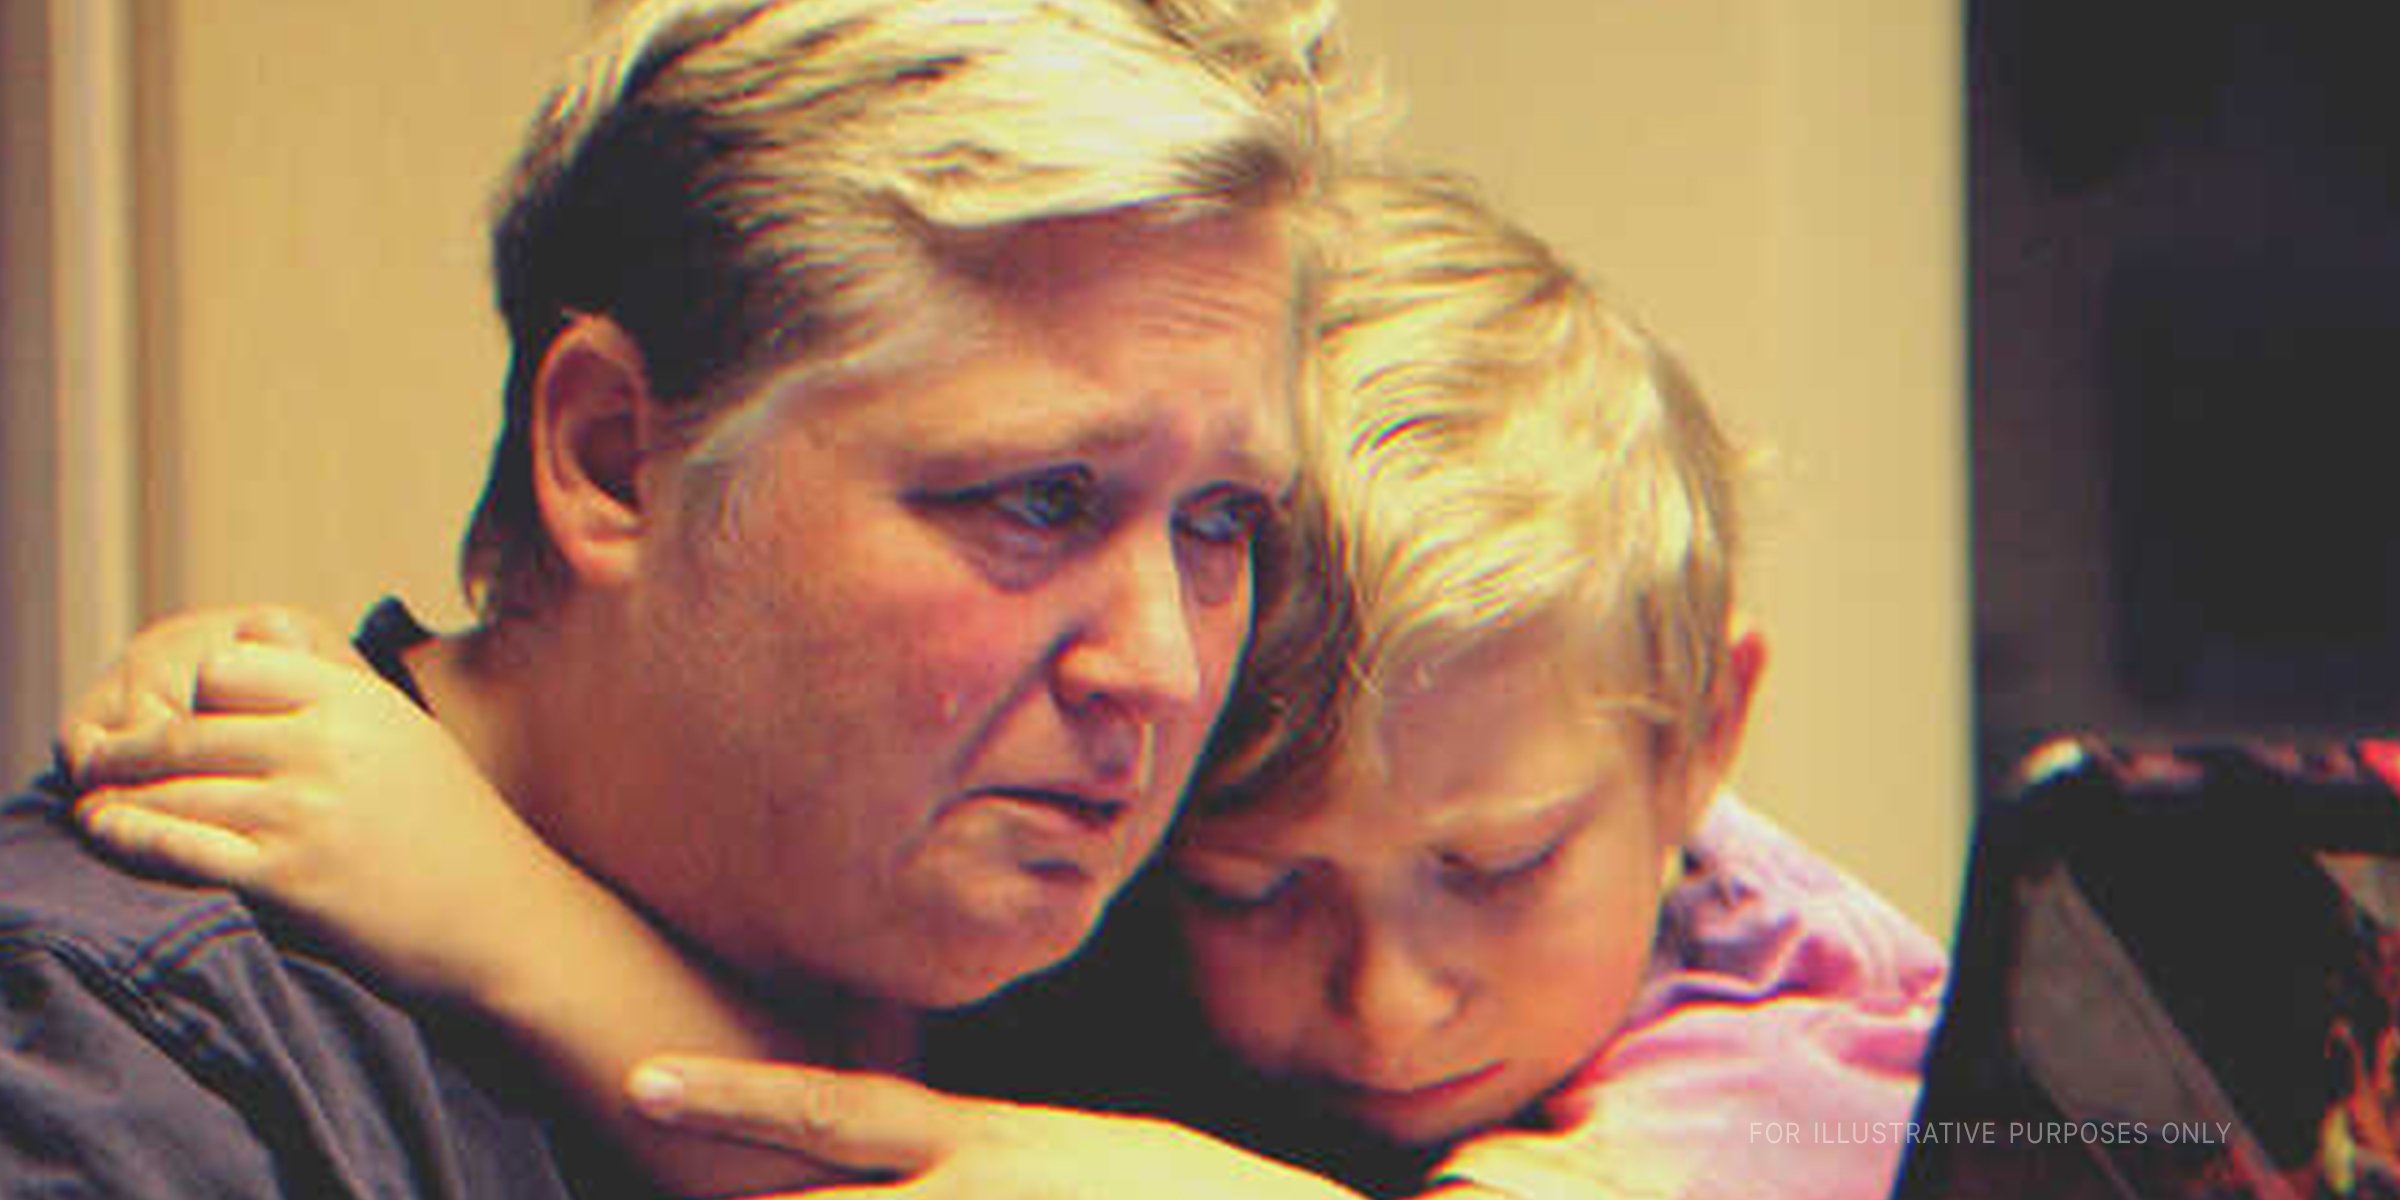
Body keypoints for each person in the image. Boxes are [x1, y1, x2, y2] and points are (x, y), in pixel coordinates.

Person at [58, 170, 1946, 1198]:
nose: (1387, 1002)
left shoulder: (1817, 1064)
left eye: (1504, 866)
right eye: (1254, 886)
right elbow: (829, 1120)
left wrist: (486, 917)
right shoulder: (1088, 886)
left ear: (1705, 743)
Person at [0, 0, 1339, 1194]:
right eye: (1040, 499)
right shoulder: (137, 1066)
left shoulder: (1249, 968)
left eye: (1220, 524)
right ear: (612, 460)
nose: (1162, 667)